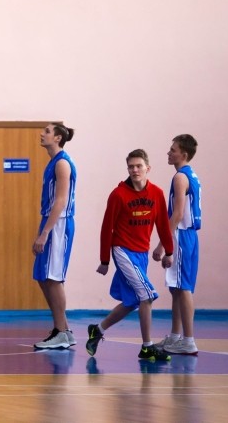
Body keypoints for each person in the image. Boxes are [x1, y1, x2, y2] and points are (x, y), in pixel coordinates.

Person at [86, 149, 175, 361]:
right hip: (122, 250)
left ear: (147, 168)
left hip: (141, 253)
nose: (135, 170)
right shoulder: (118, 195)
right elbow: (106, 228)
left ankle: (98, 329)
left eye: (139, 166)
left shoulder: (156, 193)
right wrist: (104, 260)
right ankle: (147, 347)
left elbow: (163, 224)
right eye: (131, 167)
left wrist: (168, 251)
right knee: (147, 295)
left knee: (133, 301)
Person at [152, 134, 202, 355]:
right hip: (188, 236)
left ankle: (188, 340)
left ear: (184, 154)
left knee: (183, 288)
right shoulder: (191, 175)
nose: (169, 152)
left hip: (182, 235)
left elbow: (178, 213)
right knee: (176, 288)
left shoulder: (181, 177)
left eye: (173, 150)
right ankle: (175, 336)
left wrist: (162, 244)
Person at [32, 123, 77, 350]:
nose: (42, 134)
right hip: (50, 221)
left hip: (59, 224)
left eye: (47, 131)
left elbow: (60, 201)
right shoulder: (53, 162)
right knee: (43, 277)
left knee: (53, 278)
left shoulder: (62, 163)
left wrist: (45, 233)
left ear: (58, 138)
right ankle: (64, 330)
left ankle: (60, 332)